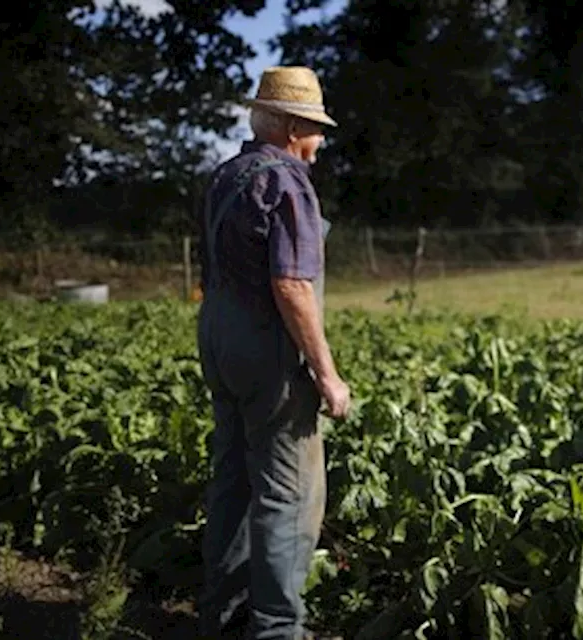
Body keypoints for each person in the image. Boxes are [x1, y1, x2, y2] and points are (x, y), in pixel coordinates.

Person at [195, 66, 351, 640]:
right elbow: (291, 285)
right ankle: (278, 631)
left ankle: (224, 619)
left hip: (218, 336)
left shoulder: (226, 176)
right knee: (289, 495)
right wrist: (328, 375)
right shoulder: (288, 183)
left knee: (233, 478)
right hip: (267, 350)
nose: (319, 144)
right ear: (290, 127)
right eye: (314, 130)